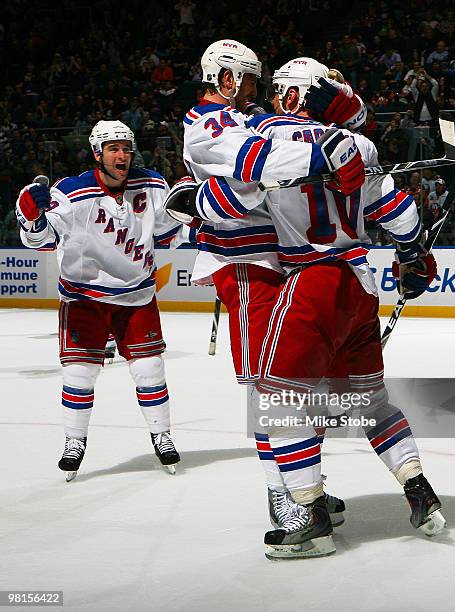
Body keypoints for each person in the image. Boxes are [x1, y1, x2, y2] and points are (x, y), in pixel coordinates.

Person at [169, 58, 445, 558]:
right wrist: (412, 256)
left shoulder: (267, 132)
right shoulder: (360, 145)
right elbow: (397, 210)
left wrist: (193, 206)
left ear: (293, 96)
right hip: (361, 284)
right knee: (370, 401)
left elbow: (235, 195)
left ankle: (307, 517)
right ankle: (421, 492)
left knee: (276, 400)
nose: (269, 96)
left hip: (310, 280)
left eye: (278, 90)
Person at [168, 40, 365, 538]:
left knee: (300, 379)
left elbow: (320, 134)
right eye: (252, 78)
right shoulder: (207, 124)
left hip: (279, 262)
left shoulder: (248, 114)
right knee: (269, 385)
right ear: (228, 77)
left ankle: (307, 487)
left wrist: (343, 110)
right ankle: (281, 493)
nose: (259, 90)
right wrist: (328, 151)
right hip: (244, 264)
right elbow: (264, 162)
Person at [16, 120, 183, 481]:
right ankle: (74, 441)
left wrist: (190, 209)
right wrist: (29, 217)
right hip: (83, 298)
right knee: (79, 374)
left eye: (126, 147)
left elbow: (169, 235)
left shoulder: (152, 183)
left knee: (150, 369)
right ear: (97, 153)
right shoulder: (72, 193)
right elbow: (40, 240)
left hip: (137, 294)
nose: (121, 154)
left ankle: (162, 434)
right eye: (113, 148)